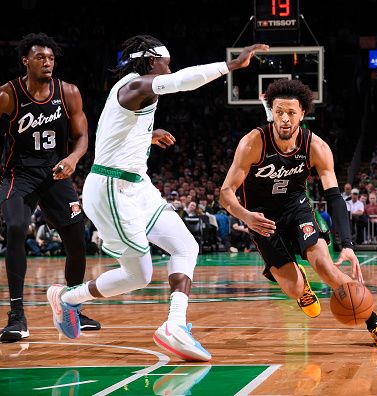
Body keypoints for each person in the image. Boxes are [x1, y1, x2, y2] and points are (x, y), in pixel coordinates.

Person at [45, 34, 268, 361]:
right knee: (139, 275)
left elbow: (114, 134)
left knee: (186, 246)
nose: (169, 66)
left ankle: (175, 325)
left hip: (138, 186)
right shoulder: (134, 86)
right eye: (166, 61)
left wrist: (148, 135)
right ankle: (70, 298)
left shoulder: (135, 92)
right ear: (151, 61)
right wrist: (230, 65)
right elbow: (181, 81)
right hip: (111, 188)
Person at [220, 79, 377, 348]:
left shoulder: (316, 147)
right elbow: (226, 193)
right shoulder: (253, 143)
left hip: (297, 209)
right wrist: (245, 217)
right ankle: (302, 289)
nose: (285, 119)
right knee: (292, 288)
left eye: (291, 112)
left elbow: (335, 197)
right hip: (261, 218)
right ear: (271, 112)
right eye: (279, 111)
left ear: (302, 113)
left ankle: (374, 321)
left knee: (326, 266)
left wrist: (346, 245)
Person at [0, 32, 100, 343]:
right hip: (19, 174)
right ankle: (17, 315)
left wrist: (73, 157)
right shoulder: (7, 95)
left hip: (56, 173)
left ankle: (72, 306)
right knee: (16, 228)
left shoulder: (68, 92)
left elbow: (82, 136)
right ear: (25, 61)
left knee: (77, 237)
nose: (47, 62)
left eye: (51, 58)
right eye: (40, 57)